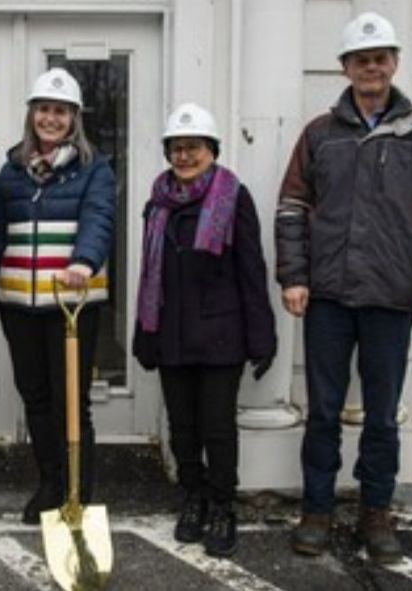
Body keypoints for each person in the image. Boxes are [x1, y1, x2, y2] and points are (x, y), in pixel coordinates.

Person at [276, 12, 412, 564]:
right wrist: (295, 276)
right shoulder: (320, 134)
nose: (372, 68)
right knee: (324, 412)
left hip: (392, 296)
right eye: (361, 60)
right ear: (346, 68)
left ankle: (376, 512)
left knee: (382, 415)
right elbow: (292, 209)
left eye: (380, 58)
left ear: (395, 63)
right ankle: (317, 510)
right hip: (328, 297)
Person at [132, 103, 276, 557]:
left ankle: (222, 505)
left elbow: (251, 268)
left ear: (212, 149)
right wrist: (143, 333)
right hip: (172, 334)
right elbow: (149, 274)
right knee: (183, 428)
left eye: (193, 147)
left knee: (217, 428)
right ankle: (192, 497)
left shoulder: (233, 197)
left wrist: (261, 336)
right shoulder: (157, 203)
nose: (185, 156)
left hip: (220, 336)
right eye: (177, 148)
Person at [0, 67, 116, 525]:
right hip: (19, 305)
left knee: (71, 402)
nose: (51, 118)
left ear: (74, 118)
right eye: (44, 109)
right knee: (36, 398)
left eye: (61, 111)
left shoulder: (95, 169)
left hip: (71, 306)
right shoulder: (12, 172)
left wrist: (84, 260)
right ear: (32, 115)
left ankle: (79, 490)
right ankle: (50, 482)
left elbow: (100, 218)